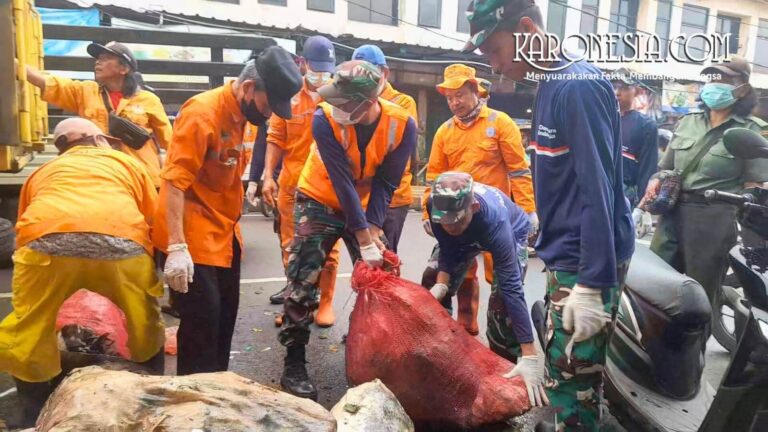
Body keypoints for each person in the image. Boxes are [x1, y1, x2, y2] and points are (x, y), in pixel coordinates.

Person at [465, 0, 635, 429]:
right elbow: (564, 176)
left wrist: (594, 284)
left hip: (585, 261)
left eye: (495, 52)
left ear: (525, 29)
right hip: (565, 255)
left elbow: (599, 190)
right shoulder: (550, 84)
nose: (496, 66)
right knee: (565, 377)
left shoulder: (577, 85)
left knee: (572, 389)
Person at [0, 118, 164, 425]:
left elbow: (24, 225)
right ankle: (151, 401)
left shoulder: (44, 171)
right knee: (143, 323)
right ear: (100, 139)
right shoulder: (125, 163)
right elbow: (155, 218)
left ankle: (32, 415)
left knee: (30, 329)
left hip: (47, 245)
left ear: (62, 147)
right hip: (120, 242)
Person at [152, 47, 302, 375]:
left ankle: (218, 389)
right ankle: (196, 400)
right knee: (202, 326)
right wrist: (176, 247)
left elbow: (228, 166)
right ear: (249, 88)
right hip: (193, 236)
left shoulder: (243, 115)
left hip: (224, 232)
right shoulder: (202, 113)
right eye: (267, 105)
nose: (268, 115)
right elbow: (174, 183)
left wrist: (251, 188)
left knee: (224, 318)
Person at [278, 60, 417, 400]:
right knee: (303, 278)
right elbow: (341, 180)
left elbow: (387, 182)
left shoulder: (403, 125)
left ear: (367, 103)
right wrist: (362, 234)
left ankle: (374, 349)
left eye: (342, 100)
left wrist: (371, 228)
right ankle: (294, 361)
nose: (333, 104)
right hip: (319, 198)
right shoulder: (324, 118)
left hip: (366, 202)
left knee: (380, 274)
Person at [422, 63, 536, 336]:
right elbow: (433, 177)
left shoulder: (500, 123)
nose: (454, 102)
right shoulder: (445, 131)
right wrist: (429, 213)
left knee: (504, 281)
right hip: (459, 216)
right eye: (449, 98)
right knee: (449, 272)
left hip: (495, 218)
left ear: (475, 90)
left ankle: (503, 343)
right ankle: (463, 326)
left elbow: (518, 170)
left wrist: (529, 211)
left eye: (459, 95)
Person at [646, 57, 768, 305]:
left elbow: (753, 188)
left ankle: (694, 345)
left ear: (742, 88)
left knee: (699, 298)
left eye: (723, 81)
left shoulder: (753, 130)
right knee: (654, 288)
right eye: (711, 80)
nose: (714, 86)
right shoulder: (688, 122)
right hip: (672, 213)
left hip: (714, 218)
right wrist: (654, 181)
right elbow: (665, 169)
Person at [426, 172, 547, 407]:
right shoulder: (436, 205)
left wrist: (530, 352)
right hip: (468, 239)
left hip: (512, 231)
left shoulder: (494, 220)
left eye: (457, 220)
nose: (451, 227)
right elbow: (448, 246)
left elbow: (512, 287)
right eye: (445, 221)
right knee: (431, 278)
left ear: (474, 206)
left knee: (502, 303)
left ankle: (504, 372)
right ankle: (439, 351)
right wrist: (442, 283)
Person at [259, 36, 341, 327]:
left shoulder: (337, 94)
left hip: (326, 188)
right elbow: (275, 138)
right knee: (291, 248)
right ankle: (297, 302)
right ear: (303, 64)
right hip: (292, 186)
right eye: (316, 67)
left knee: (328, 250)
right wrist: (268, 175)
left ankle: (325, 302)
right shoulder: (288, 95)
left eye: (326, 68)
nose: (322, 74)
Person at [25, 41, 172, 188]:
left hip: (142, 179)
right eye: (98, 58)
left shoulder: (149, 100)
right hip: (101, 177)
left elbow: (171, 142)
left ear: (124, 68)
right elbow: (49, 83)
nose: (98, 62)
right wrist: (14, 63)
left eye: (106, 58)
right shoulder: (85, 92)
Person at [352, 44, 419, 253]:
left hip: (392, 197)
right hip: (361, 194)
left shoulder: (403, 103)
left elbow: (399, 156)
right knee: (364, 260)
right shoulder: (352, 98)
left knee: (384, 259)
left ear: (384, 73)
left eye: (370, 74)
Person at [611, 69, 658, 237]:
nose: (617, 92)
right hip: (596, 189)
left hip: (624, 196)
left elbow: (648, 169)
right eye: (614, 86)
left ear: (637, 90)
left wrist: (643, 208)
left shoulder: (646, 125)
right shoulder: (601, 118)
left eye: (623, 87)